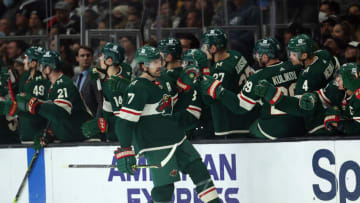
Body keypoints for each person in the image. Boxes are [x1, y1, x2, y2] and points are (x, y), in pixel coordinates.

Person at [114, 46, 221, 203]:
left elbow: (175, 106)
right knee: (165, 190)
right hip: (156, 144)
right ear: (143, 66)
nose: (159, 65)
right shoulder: (137, 88)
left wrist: (186, 88)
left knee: (198, 169)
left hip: (176, 136)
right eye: (154, 62)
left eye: (159, 61)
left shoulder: (163, 80)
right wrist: (125, 150)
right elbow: (124, 123)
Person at [201, 37, 305, 139]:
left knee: (251, 128)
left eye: (258, 54)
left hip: (274, 128)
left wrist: (219, 90)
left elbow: (240, 107)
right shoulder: (295, 67)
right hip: (300, 124)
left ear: (265, 57)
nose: (256, 57)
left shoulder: (259, 76)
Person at [13, 50, 91, 143]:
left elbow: (61, 113)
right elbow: (52, 115)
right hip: (70, 139)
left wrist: (36, 105)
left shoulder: (64, 84)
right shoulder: (53, 85)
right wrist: (48, 133)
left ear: (48, 68)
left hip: (82, 140)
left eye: (42, 66)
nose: (40, 70)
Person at [200, 28, 256, 138]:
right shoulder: (235, 55)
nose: (203, 49)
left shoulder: (221, 71)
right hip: (249, 116)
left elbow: (209, 99)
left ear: (213, 48)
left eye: (205, 46)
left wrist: (203, 71)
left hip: (231, 125)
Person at [81, 42, 132, 141]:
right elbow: (107, 112)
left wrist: (104, 125)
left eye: (102, 56)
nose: (99, 58)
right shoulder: (125, 68)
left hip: (127, 136)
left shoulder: (114, 86)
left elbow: (125, 118)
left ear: (109, 60)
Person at [73, 46, 102, 117]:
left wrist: (97, 121)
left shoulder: (96, 76)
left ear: (92, 58)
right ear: (77, 58)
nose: (85, 58)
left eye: (88, 55)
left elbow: (100, 102)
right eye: (82, 56)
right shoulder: (74, 78)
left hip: (91, 118)